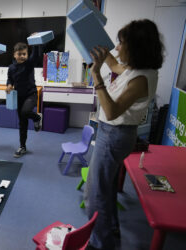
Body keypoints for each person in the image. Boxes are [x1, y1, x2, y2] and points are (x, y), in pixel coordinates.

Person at [84, 19, 164, 250]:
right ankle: (110, 230)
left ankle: (100, 243)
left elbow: (110, 111)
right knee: (106, 189)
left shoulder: (140, 79)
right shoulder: (136, 70)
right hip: (115, 135)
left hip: (114, 135)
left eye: (121, 43)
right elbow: (115, 65)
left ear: (137, 47)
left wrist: (96, 75)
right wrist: (97, 42)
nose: (117, 48)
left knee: (95, 194)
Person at [6, 41, 42, 158]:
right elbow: (10, 79)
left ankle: (37, 117)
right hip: (19, 97)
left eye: (24, 54)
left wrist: (35, 42)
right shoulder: (11, 68)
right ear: (14, 55)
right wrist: (9, 85)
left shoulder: (29, 64)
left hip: (31, 95)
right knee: (22, 123)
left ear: (27, 54)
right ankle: (23, 146)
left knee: (25, 112)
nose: (22, 56)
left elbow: (35, 55)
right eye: (19, 54)